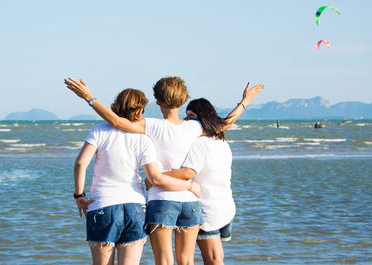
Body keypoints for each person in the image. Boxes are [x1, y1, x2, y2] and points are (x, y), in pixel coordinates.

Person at [65, 76, 263, 265]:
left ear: (158, 101)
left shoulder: (151, 126)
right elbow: (225, 123)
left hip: (161, 200)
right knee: (186, 261)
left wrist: (90, 98)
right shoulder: (194, 126)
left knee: (164, 261)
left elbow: (116, 122)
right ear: (184, 100)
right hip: (189, 201)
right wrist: (245, 101)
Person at [74, 88, 201, 265]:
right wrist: (189, 186)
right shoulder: (144, 139)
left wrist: (79, 196)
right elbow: (155, 177)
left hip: (102, 205)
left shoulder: (99, 130)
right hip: (135, 207)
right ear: (140, 111)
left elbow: (81, 163)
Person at [164, 98, 237, 265]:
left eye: (191, 117)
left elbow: (188, 172)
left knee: (213, 259)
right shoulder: (221, 140)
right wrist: (244, 101)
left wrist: (158, 176)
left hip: (207, 208)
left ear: (202, 118)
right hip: (226, 206)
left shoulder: (199, 144)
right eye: (187, 117)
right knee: (217, 257)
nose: (187, 121)